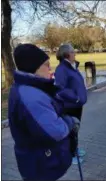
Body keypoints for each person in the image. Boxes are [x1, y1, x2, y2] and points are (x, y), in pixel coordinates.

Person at [8, 44, 79, 180]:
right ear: (33, 68)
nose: (50, 68)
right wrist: (70, 122)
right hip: (41, 164)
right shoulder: (31, 96)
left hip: (36, 161)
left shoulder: (25, 87)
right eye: (46, 65)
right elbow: (56, 131)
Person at [55, 43, 87, 164]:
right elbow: (60, 88)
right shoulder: (61, 69)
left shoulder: (72, 66)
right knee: (71, 130)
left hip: (77, 105)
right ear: (67, 54)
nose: (75, 53)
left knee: (76, 129)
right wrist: (76, 98)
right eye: (73, 52)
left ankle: (75, 149)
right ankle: (71, 155)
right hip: (70, 106)